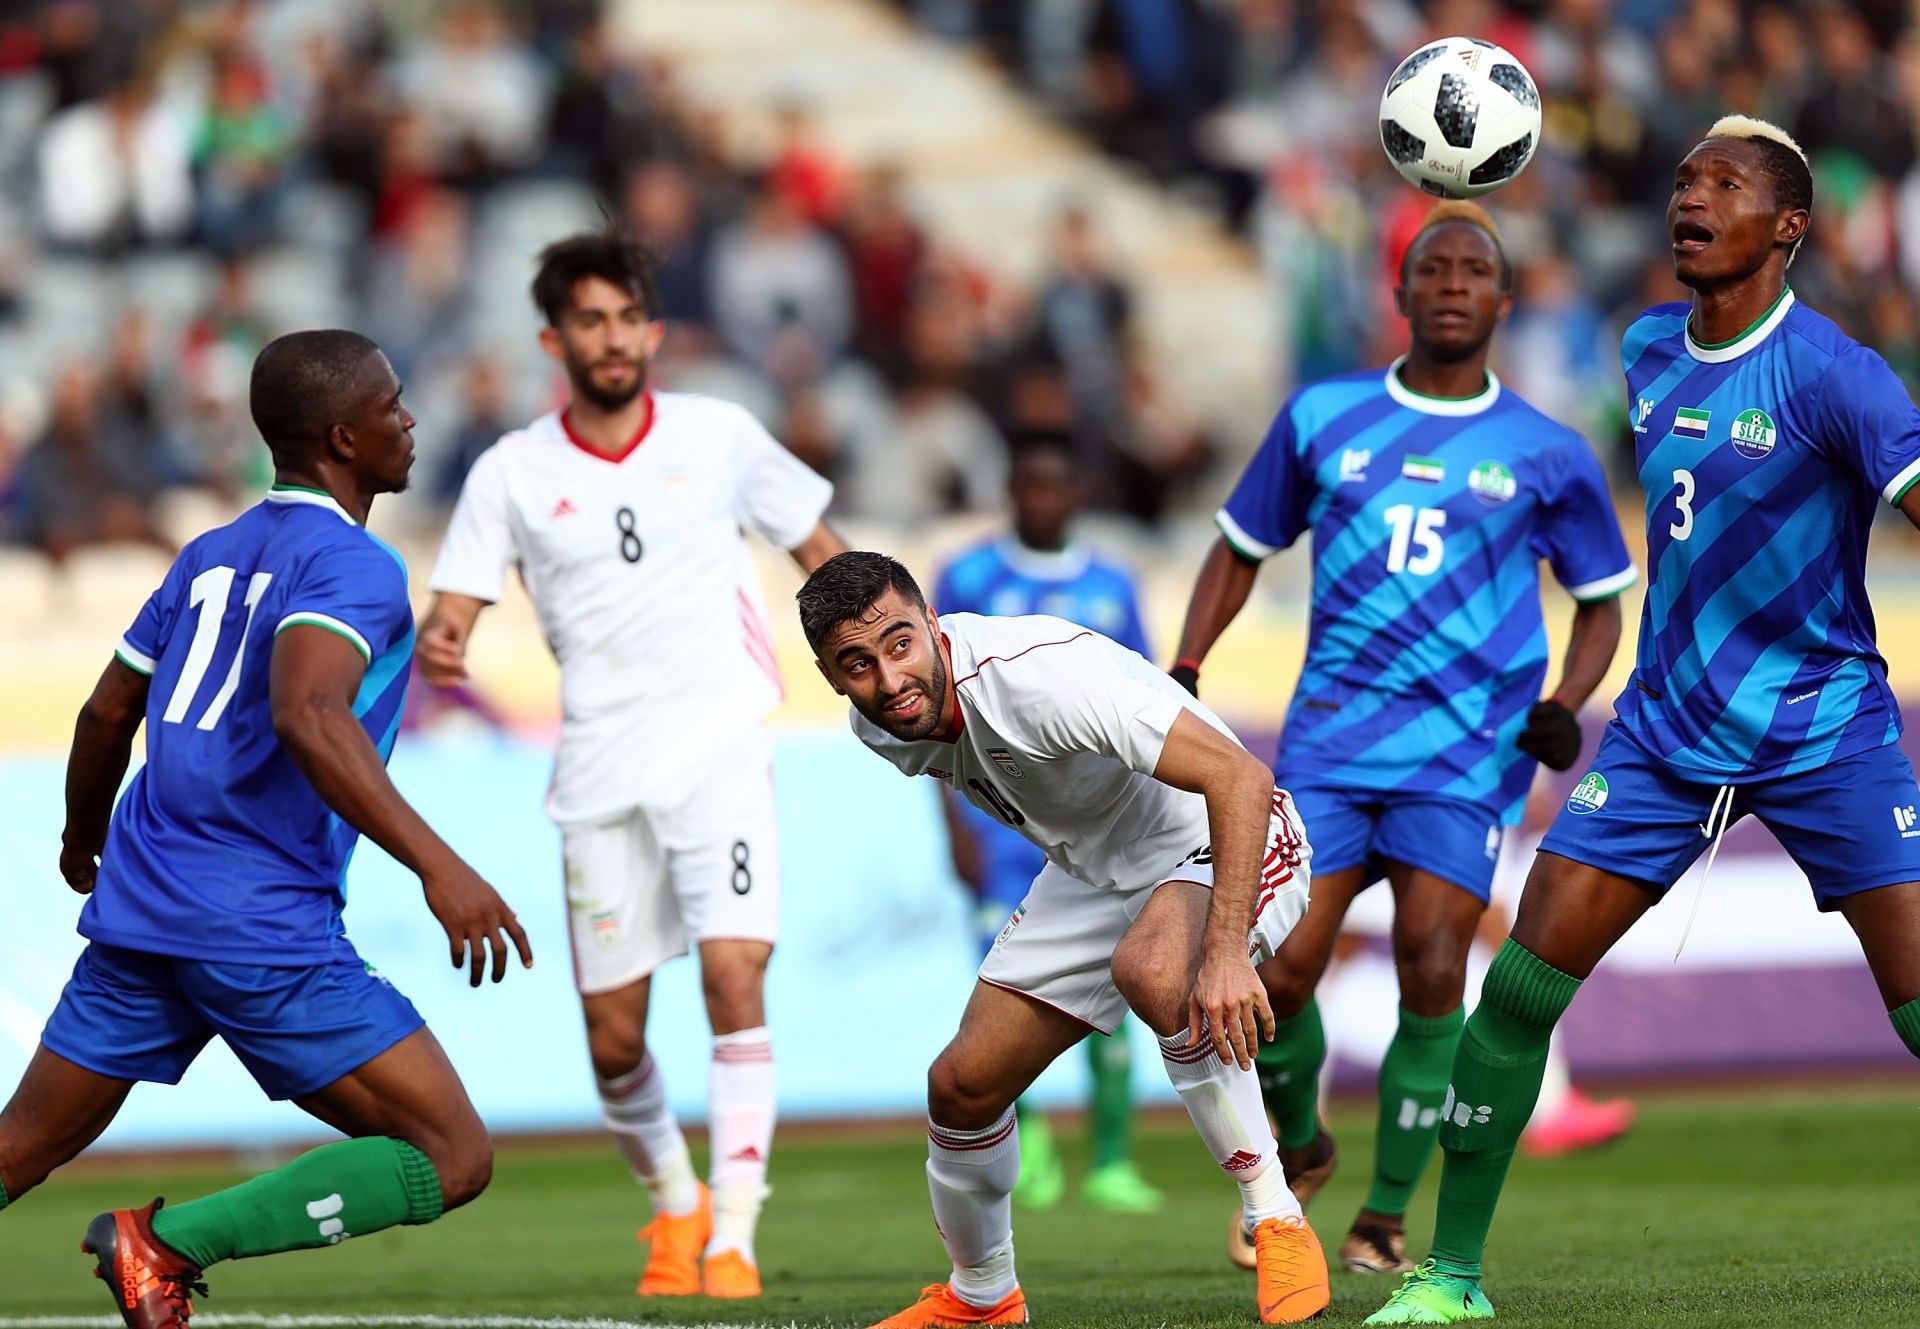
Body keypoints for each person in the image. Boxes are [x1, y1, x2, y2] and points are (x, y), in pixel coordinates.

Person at [1367, 116, 1920, 1326]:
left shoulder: (1836, 372)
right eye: (1682, 181)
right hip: (1665, 738)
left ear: (1788, 225)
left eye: (1723, 184)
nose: (1690, 197)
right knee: (1515, 993)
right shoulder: (1646, 347)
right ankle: (1449, 1278)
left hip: (1825, 728)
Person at [0, 330, 531, 1329]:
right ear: (343, 436)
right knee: (453, 1155)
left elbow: (107, 712)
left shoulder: (207, 554)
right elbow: (308, 712)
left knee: (17, 1148)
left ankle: (155, 1247)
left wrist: (81, 843)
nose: (409, 420)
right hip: (257, 925)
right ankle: (166, 1243)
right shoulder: (357, 567)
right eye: (392, 405)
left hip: (143, 903)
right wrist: (441, 868)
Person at [1174, 201, 1636, 1277]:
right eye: (1434, 268)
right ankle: (1298, 1144)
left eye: (1477, 269)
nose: (1454, 283)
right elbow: (1239, 547)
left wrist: (1567, 700)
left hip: (1465, 756)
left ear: (1504, 300)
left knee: (1434, 970)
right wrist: (1189, 667)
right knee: (1279, 971)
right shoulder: (1322, 418)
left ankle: (1384, 1215)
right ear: (1401, 293)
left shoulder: (1546, 451)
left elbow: (1604, 600)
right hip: (1332, 743)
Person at [417, 232, 843, 1300]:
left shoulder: (722, 434)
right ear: (553, 338)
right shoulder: (510, 471)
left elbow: (822, 552)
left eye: (627, 318)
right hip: (599, 773)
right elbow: (452, 608)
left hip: (722, 748)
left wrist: (878, 650)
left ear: (654, 330)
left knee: (734, 977)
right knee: (614, 1043)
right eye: (590, 321)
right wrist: (441, 639)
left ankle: (735, 1235)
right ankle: (675, 1202)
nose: (612, 339)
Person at [797, 550, 1330, 1328]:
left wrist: (1220, 953)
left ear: (933, 626)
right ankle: (983, 1296)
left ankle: (1276, 1217)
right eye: (858, 664)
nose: (889, 678)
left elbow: (1241, 779)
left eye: (900, 643)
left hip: (1214, 827)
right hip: (1095, 870)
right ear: (831, 675)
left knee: (1154, 969)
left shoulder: (1038, 679)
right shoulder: (882, 729)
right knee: (962, 1086)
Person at [931, 437, 1162, 1215]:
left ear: (1075, 493)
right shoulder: (967, 577)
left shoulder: (1112, 584)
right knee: (1002, 997)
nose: (1042, 498)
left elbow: (1148, 693)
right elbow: (934, 718)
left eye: (1056, 485)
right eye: (1028, 484)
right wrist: (953, 828)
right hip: (999, 829)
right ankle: (1025, 1152)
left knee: (1114, 990)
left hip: (1102, 827)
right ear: (1012, 490)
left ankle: (1110, 1159)